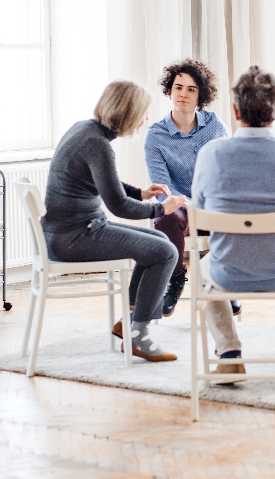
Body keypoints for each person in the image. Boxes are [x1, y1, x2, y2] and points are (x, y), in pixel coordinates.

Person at [191, 66, 275, 381]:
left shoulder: (210, 154)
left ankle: (228, 353)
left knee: (198, 271)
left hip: (228, 272)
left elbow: (199, 208)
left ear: (235, 110)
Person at [42, 80, 188, 362]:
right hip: (74, 238)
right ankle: (139, 336)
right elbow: (118, 205)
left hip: (71, 231)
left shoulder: (85, 130)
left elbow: (104, 183)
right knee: (166, 251)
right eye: (142, 113)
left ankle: (131, 321)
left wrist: (142, 193)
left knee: (160, 242)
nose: (145, 120)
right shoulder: (97, 144)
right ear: (128, 113)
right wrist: (162, 210)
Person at [139, 59, 230, 317]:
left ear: (201, 94)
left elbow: (224, 174)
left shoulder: (215, 126)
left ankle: (221, 283)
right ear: (170, 90)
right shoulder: (155, 135)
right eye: (178, 87)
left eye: (191, 89)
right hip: (178, 207)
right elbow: (161, 187)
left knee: (231, 212)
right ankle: (176, 278)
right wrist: (186, 202)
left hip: (211, 205)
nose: (183, 94)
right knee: (166, 213)